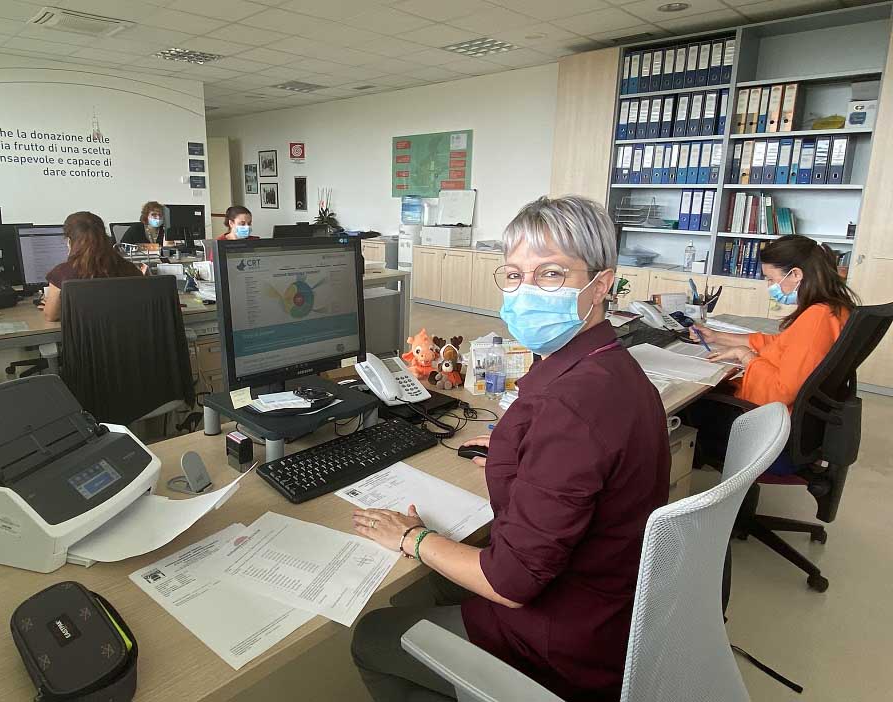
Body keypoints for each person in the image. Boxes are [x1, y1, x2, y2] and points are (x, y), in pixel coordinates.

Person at [349, 196, 671, 702]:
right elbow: (578, 465)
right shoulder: (608, 366)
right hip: (613, 601)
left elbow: (511, 585)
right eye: (515, 275)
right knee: (443, 571)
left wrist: (410, 538)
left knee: (373, 633)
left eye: (550, 275)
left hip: (567, 639)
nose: (525, 293)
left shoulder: (572, 405)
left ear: (601, 284)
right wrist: (519, 453)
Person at [683, 234, 858, 471]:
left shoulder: (816, 320)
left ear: (796, 274)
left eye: (771, 278)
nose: (770, 286)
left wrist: (746, 356)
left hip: (772, 431)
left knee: (683, 409)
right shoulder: (833, 308)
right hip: (802, 427)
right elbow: (779, 344)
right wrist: (718, 337)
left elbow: (783, 391)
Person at [43, 211, 142, 322]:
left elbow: (51, 316)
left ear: (70, 241)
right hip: (127, 337)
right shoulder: (129, 268)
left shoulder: (63, 273)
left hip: (85, 339)